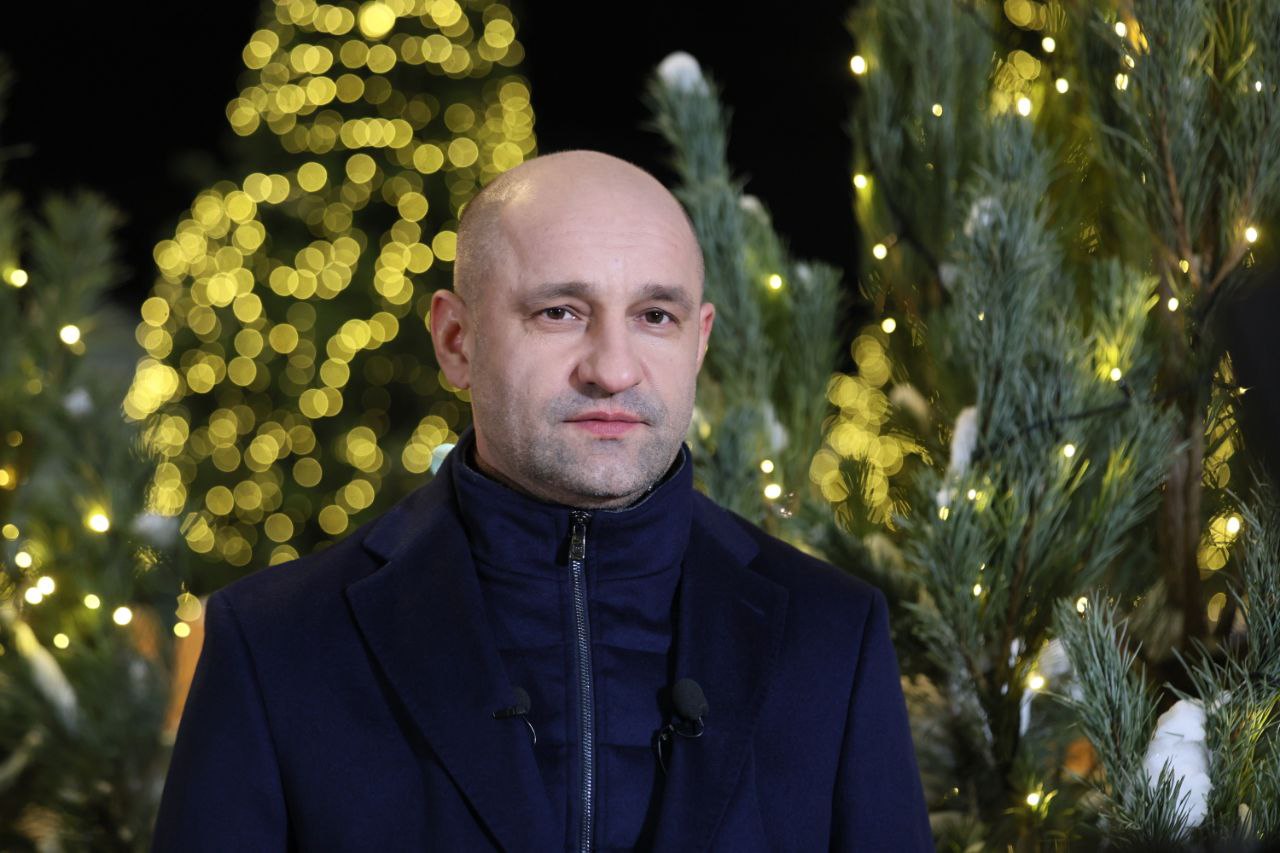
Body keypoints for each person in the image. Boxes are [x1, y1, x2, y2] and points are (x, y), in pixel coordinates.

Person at [151, 150, 933, 851]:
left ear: (699, 340)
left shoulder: (833, 635)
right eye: (560, 312)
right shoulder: (276, 642)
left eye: (654, 316)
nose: (613, 369)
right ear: (456, 340)